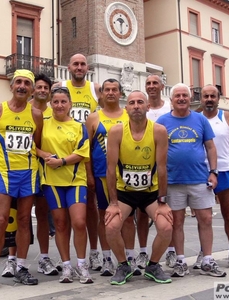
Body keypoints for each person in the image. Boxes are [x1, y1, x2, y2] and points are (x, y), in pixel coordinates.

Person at [0, 69, 43, 291]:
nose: (22, 86)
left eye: (27, 83)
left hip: (29, 173)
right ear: (11, 86)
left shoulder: (36, 114)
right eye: (18, 82)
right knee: (0, 220)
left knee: (25, 220)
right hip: (4, 173)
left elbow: (36, 145)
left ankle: (22, 268)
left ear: (32, 90)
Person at [157, 83, 226, 278]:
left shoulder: (200, 119)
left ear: (190, 99)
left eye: (184, 95)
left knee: (206, 219)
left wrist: (214, 172)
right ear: (171, 100)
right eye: (177, 96)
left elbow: (211, 148)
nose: (181, 98)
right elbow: (158, 150)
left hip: (199, 178)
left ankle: (207, 260)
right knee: (177, 222)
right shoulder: (162, 121)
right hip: (173, 180)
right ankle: (180, 261)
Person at [105, 90, 173, 285]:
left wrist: (162, 202)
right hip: (124, 193)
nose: (136, 106)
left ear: (147, 107)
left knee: (166, 226)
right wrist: (113, 203)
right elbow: (110, 169)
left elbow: (162, 169)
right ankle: (123, 265)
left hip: (150, 193)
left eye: (140, 102)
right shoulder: (117, 131)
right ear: (126, 108)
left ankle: (152, 265)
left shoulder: (158, 131)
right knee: (111, 227)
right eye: (132, 102)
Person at [1, 73, 59, 278]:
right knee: (16, 217)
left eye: (46, 88)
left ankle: (43, 258)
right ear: (34, 90)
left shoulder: (54, 113)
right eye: (40, 87)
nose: (43, 91)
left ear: (50, 92)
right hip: (20, 171)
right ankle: (11, 260)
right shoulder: (24, 110)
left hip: (45, 172)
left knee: (42, 215)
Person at [37, 86, 92, 284]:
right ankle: (67, 266)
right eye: (56, 102)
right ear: (51, 104)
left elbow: (83, 153)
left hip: (75, 181)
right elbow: (32, 144)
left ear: (70, 104)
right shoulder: (42, 123)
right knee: (60, 224)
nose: (59, 105)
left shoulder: (79, 126)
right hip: (51, 182)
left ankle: (82, 264)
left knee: (79, 222)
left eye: (63, 102)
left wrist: (61, 161)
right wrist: (42, 154)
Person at [53, 53, 102, 271]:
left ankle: (93, 253)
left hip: (88, 152)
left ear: (87, 67)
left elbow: (107, 112)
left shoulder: (95, 88)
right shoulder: (60, 86)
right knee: (63, 214)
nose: (79, 67)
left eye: (83, 64)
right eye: (76, 64)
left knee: (90, 208)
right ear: (69, 67)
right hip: (62, 149)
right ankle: (65, 259)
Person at [198, 84, 229, 269]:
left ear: (219, 99)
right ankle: (204, 253)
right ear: (201, 99)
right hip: (202, 171)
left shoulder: (227, 116)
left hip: (225, 169)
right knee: (204, 217)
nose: (209, 99)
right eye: (205, 96)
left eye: (213, 96)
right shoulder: (195, 118)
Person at [85, 78, 128, 276]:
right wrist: (90, 176)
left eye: (114, 89)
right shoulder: (93, 118)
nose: (111, 93)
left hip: (127, 175)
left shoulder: (129, 115)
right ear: (101, 94)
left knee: (127, 218)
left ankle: (129, 257)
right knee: (105, 217)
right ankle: (107, 258)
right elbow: (87, 150)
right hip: (102, 174)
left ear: (120, 93)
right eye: (107, 90)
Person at [144, 74, 175, 270]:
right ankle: (141, 251)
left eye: (155, 83)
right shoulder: (141, 108)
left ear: (162, 86)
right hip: (144, 170)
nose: (152, 86)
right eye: (148, 83)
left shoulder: (169, 108)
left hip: (167, 168)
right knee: (142, 216)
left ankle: (171, 252)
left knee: (169, 213)